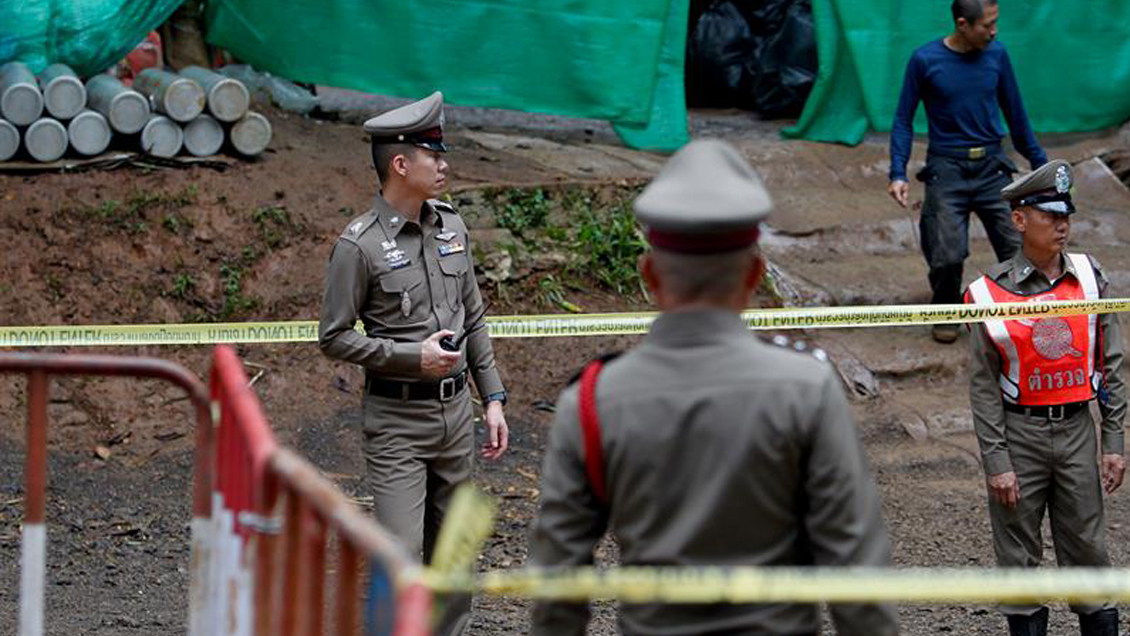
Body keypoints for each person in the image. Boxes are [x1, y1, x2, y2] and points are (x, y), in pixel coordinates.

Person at [529, 139, 898, 636]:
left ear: (649, 274)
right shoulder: (806, 389)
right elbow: (854, 562)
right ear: (755, 275)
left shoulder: (593, 400)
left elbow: (556, 575)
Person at [318, 91, 508, 636]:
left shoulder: (452, 226)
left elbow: (474, 316)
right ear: (400, 165)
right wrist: (411, 357)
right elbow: (333, 338)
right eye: (434, 155)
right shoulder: (358, 246)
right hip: (397, 423)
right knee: (400, 559)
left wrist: (493, 397)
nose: (445, 164)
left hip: (456, 419)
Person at [965, 159, 1125, 636]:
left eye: (1066, 215)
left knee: (1090, 553)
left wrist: (1113, 441)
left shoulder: (1090, 278)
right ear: (1019, 220)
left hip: (1077, 428)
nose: (1062, 225)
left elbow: (1110, 363)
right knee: (1017, 559)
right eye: (1050, 216)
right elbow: (983, 385)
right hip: (1020, 433)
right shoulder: (987, 293)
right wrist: (997, 461)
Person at [887, 0, 1048, 344]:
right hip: (946, 169)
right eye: (987, 25)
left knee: (1018, 246)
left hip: (993, 168)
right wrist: (897, 172)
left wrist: (1042, 165)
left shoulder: (997, 56)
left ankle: (1022, 313)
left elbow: (1016, 115)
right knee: (946, 254)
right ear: (963, 24)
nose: (994, 31)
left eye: (995, 23)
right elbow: (902, 119)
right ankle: (947, 310)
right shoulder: (924, 60)